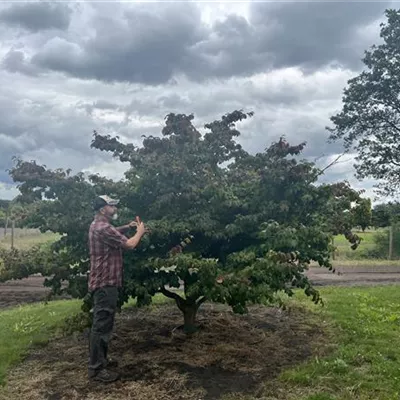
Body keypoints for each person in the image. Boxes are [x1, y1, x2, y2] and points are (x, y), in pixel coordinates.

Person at [87, 194, 147, 383]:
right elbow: (129, 244)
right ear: (103, 209)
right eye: (112, 206)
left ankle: (101, 362)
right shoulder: (103, 228)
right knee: (101, 327)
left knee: (103, 325)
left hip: (104, 283)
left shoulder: (98, 225)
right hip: (106, 284)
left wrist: (127, 227)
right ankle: (97, 370)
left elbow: (112, 232)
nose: (115, 209)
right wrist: (140, 232)